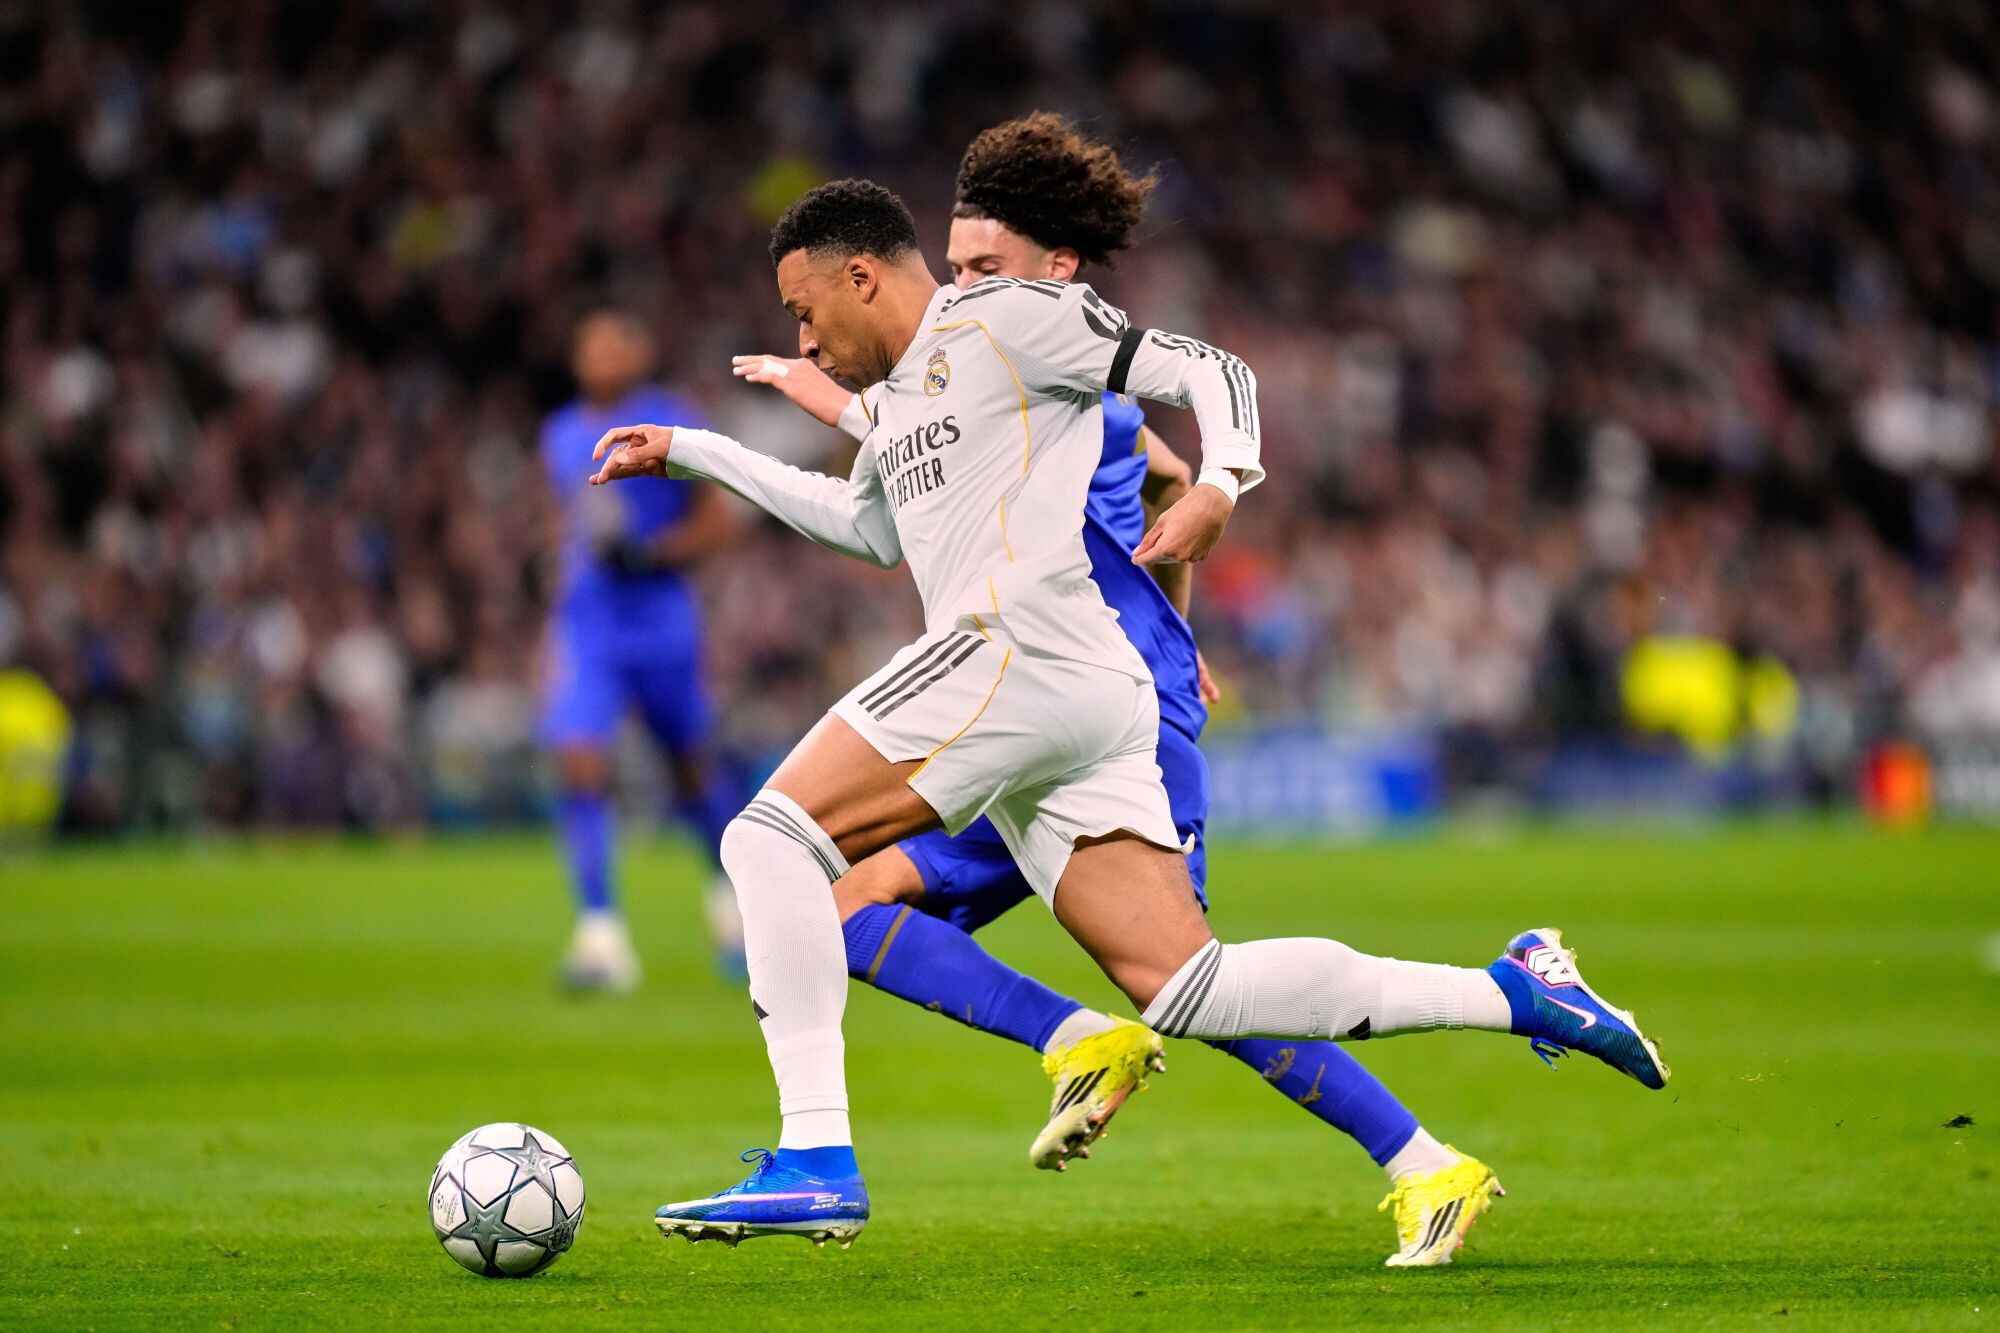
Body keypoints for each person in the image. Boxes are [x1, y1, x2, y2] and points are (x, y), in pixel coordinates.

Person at [590, 178, 1667, 1252]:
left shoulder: (1006, 319)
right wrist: (694, 450)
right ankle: (1512, 992)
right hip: (1080, 692)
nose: (803, 339)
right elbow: (867, 530)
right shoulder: (903, 399)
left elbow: (1210, 370)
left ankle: (817, 1156)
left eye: (804, 309)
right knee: (1190, 987)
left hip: (1011, 651)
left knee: (767, 837)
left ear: (860, 276)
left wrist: (1220, 484)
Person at [729, 113, 1497, 1268]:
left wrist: (1171, 632)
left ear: (1055, 270)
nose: (960, 287)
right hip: (1030, 709)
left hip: (1085, 704)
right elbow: (1128, 484)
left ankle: (1421, 1147)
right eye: (956, 266)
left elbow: (1179, 467)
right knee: (857, 901)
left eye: (982, 267)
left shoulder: (1061, 372)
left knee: (1188, 980)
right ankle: (1081, 1040)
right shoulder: (973, 376)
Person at [538, 308, 742, 991]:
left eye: (612, 347)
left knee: (691, 769)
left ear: (639, 353)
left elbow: (717, 523)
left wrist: (655, 555)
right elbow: (569, 519)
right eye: (589, 348)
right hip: (589, 626)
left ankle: (730, 902)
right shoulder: (561, 432)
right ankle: (600, 935)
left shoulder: (674, 421)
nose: (599, 361)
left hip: (660, 622)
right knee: (578, 759)